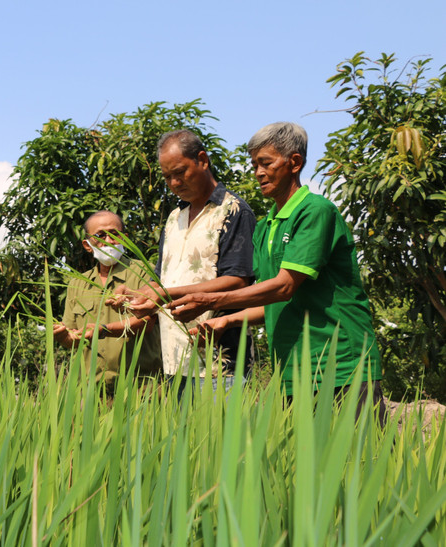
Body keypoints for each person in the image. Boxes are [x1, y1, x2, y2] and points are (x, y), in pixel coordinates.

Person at [169, 122, 386, 421]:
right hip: (292, 368)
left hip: (341, 366)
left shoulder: (314, 211)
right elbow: (272, 303)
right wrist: (227, 322)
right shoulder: (266, 226)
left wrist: (208, 301)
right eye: (254, 164)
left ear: (294, 163)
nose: (257, 173)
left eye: (265, 163)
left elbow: (284, 287)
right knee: (306, 465)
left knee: (361, 461)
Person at [110, 130, 256, 390]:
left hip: (220, 365)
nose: (174, 182)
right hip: (174, 362)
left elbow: (238, 282)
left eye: (180, 172)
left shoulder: (233, 210)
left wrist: (163, 293)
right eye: (167, 177)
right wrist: (139, 296)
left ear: (202, 160)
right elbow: (161, 281)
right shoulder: (173, 218)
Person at [53, 211, 162, 385]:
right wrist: (63, 338)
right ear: (87, 245)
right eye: (100, 235)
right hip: (90, 390)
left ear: (125, 238)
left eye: (114, 234)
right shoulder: (77, 284)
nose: (108, 241)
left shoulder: (145, 272)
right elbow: (73, 337)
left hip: (140, 385)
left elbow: (147, 322)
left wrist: (103, 330)